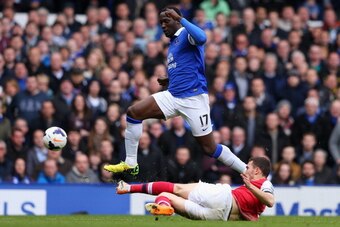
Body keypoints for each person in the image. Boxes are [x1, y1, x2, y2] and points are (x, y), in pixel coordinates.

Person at [104, 7, 247, 177]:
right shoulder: (173, 44)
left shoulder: (186, 35)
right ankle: (131, 163)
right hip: (173, 96)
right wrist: (170, 80)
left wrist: (183, 19)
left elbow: (202, 37)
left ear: (177, 20)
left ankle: (245, 170)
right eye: (161, 22)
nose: (163, 26)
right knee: (133, 113)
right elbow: (188, 67)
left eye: (166, 21)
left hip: (194, 99)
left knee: (209, 148)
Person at [115, 156, 274, 221]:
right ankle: (164, 207)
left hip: (222, 197)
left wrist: (251, 186)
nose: (245, 170)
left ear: (257, 171)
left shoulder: (265, 183)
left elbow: (270, 201)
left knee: (176, 188)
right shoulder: (255, 212)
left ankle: (129, 188)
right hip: (218, 216)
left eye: (248, 167)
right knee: (165, 196)